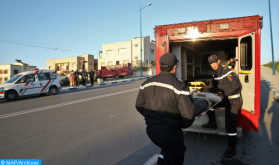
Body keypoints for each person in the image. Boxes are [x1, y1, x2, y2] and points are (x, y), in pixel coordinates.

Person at [135, 52, 195, 165]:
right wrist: (179, 124)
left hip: (152, 131)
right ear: (175, 67)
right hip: (171, 133)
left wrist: (153, 117)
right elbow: (189, 116)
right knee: (176, 154)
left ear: (160, 66)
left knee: (166, 149)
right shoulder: (180, 86)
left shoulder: (146, 83)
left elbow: (139, 105)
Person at [202, 54, 242, 158]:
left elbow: (236, 85)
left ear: (218, 61)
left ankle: (232, 148)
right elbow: (211, 85)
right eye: (211, 63)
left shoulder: (226, 71)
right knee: (209, 104)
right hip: (225, 99)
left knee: (230, 125)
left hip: (234, 100)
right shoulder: (215, 74)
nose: (213, 65)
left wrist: (223, 95)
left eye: (214, 62)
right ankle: (212, 123)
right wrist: (205, 94)